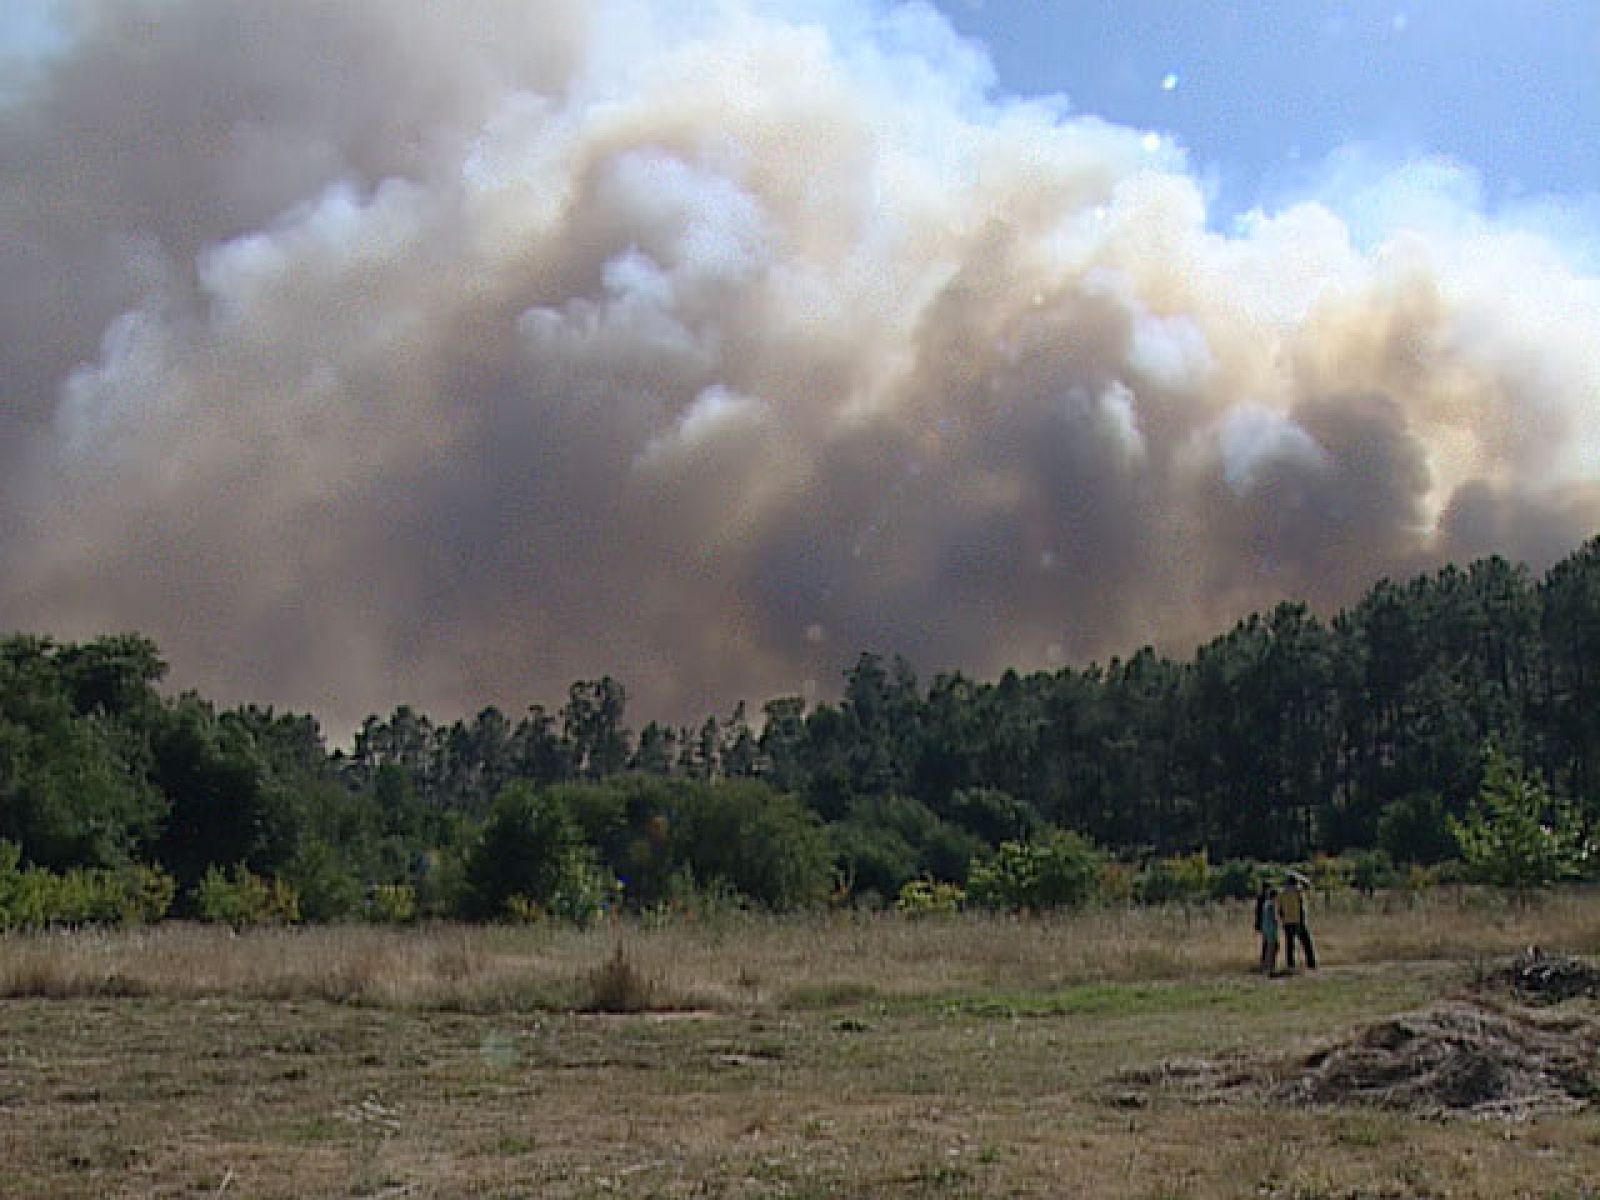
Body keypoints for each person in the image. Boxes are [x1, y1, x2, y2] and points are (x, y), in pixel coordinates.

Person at [1276, 874, 1317, 970]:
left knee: (1289, 945)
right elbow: (1308, 885)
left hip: (1287, 921)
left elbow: (1280, 909)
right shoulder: (1298, 891)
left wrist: (1283, 920)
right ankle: (1311, 964)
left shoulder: (1281, 893)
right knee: (1307, 943)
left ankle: (1291, 964)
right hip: (1299, 921)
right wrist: (1301, 878)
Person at [1254, 881, 1280, 975]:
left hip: (1264, 926)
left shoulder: (1264, 902)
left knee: (1267, 946)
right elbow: (1274, 918)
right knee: (1272, 946)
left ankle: (1266, 964)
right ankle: (1269, 965)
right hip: (1270, 928)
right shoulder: (1271, 904)